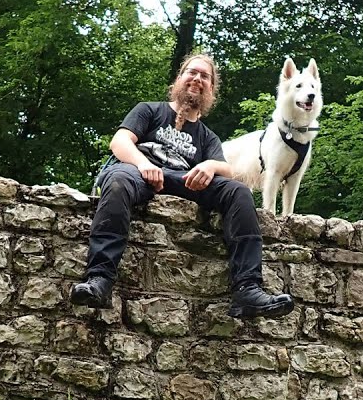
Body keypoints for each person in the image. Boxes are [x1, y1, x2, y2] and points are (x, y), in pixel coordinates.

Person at [70, 53, 295, 318]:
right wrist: (143, 165)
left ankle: (248, 289)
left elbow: (226, 169)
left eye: (205, 76)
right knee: (118, 182)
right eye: (192, 72)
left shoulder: (206, 136)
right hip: (136, 172)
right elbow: (120, 142)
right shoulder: (149, 110)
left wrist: (209, 166)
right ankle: (100, 281)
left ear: (211, 89)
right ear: (179, 78)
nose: (197, 79)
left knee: (238, 192)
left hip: (183, 179)